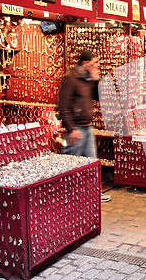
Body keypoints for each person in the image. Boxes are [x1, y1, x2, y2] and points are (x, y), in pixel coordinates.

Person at [57, 51, 111, 202]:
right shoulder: (70, 78)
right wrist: (71, 129)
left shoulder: (87, 79)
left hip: (87, 126)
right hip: (76, 128)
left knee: (92, 162)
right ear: (85, 63)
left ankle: (94, 193)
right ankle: (64, 195)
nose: (97, 66)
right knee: (70, 163)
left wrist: (96, 80)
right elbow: (63, 106)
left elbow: (98, 97)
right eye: (94, 63)